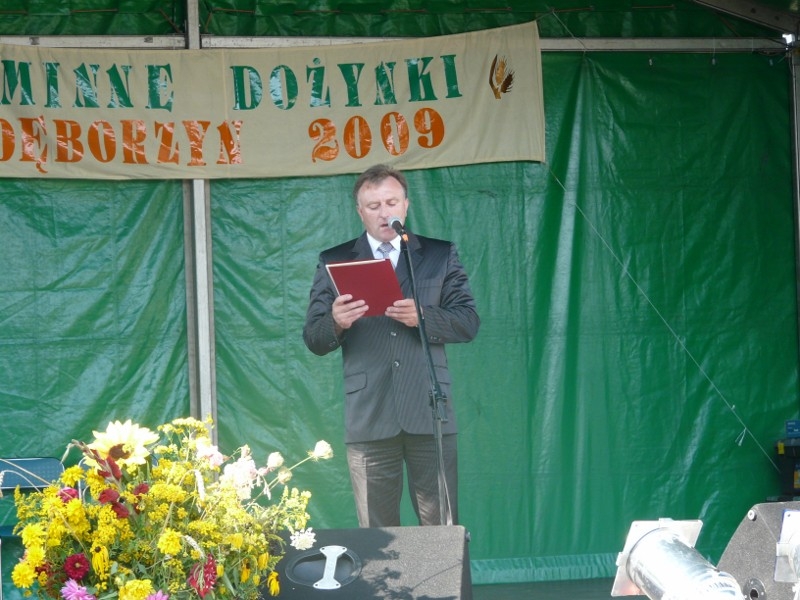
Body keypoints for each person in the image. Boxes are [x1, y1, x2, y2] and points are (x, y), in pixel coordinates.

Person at [303, 163, 480, 527]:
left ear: (406, 205)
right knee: (377, 535)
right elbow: (314, 339)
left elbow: (467, 321)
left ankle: (443, 572)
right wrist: (336, 321)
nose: (384, 213)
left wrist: (424, 316)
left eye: (391, 202)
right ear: (360, 211)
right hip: (369, 414)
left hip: (429, 410)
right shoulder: (335, 260)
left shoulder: (439, 255)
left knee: (441, 530)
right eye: (374, 206)